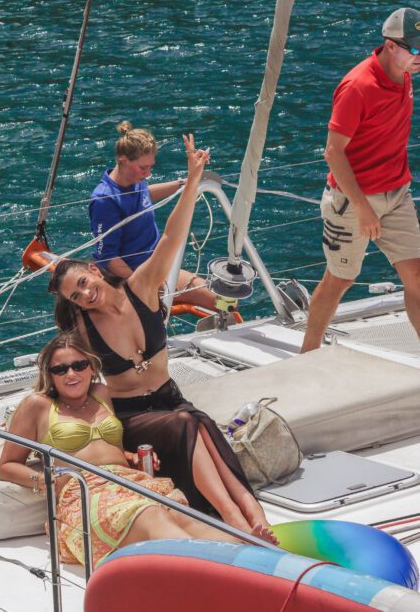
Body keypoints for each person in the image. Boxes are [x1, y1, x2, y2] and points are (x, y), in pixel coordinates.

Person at [49, 133, 270, 534]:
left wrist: (192, 180)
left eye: (84, 282)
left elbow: (171, 237)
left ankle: (255, 514)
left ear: (95, 272)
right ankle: (237, 519)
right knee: (188, 424)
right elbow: (58, 375)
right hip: (134, 416)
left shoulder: (141, 288)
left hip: (170, 398)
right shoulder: (81, 328)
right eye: (75, 294)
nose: (85, 293)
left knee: (197, 421)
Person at [0, 333, 276, 567]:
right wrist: (46, 479)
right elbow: (7, 465)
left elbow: (111, 447)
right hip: (84, 493)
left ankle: (257, 556)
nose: (71, 374)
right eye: (60, 369)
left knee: (181, 517)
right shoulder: (38, 405)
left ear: (92, 367)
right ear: (50, 375)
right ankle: (218, 571)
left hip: (128, 482)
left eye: (78, 365)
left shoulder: (101, 394)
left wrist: (130, 457)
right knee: (151, 515)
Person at [301, 8, 420, 352]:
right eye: (413, 50)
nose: (418, 57)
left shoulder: (403, 73)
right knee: (341, 278)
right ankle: (306, 356)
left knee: (417, 276)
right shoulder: (358, 86)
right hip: (353, 201)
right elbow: (333, 152)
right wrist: (363, 208)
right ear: (389, 45)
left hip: (398, 194)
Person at [89, 120, 217, 311]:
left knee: (222, 301)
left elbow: (145, 193)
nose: (148, 173)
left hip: (157, 262)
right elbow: (107, 258)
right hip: (138, 273)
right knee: (215, 300)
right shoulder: (104, 200)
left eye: (151, 167)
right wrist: (142, 286)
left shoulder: (133, 179)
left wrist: (184, 183)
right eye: (143, 168)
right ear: (123, 160)